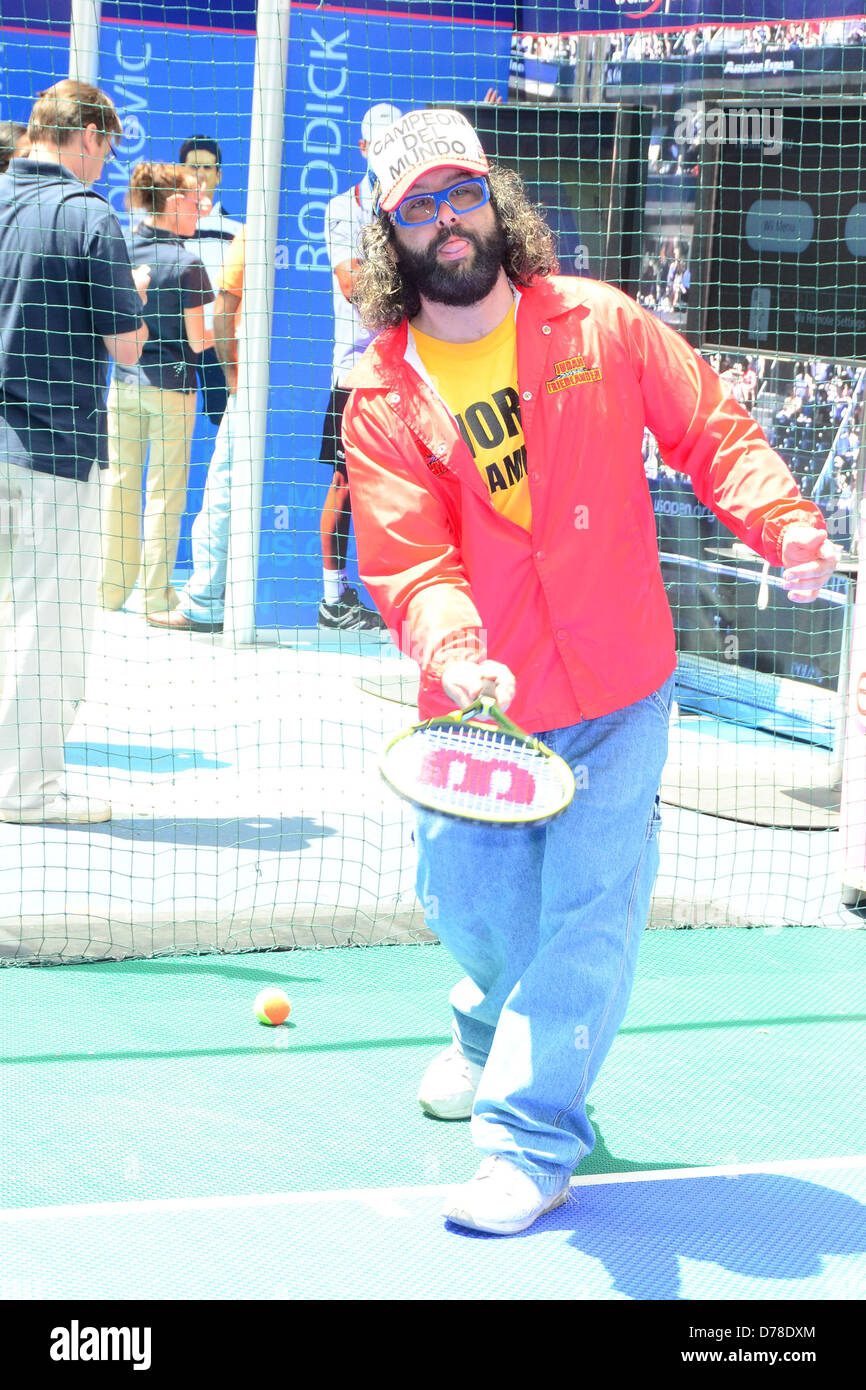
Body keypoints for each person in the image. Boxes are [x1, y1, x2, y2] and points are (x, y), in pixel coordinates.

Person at [341, 108, 838, 1235]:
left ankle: (529, 1142)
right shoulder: (380, 392)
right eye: (418, 207)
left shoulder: (601, 323)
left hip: (618, 687)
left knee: (586, 918)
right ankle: (484, 1017)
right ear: (392, 234)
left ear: (493, 201)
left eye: (459, 194)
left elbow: (715, 431)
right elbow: (409, 558)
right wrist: (459, 649)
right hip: (477, 712)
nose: (445, 221)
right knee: (468, 905)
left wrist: (786, 527)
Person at [0, 80, 148, 824]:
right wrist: (136, 295)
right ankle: (24, 791)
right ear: (87, 136)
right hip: (51, 453)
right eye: (108, 148)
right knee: (46, 630)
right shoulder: (87, 217)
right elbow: (128, 346)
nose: (108, 164)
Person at [100, 162, 213, 620]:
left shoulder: (120, 248)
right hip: (173, 390)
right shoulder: (189, 261)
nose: (202, 208)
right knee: (164, 493)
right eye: (195, 199)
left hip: (123, 385)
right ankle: (154, 597)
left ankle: (108, 592)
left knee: (119, 489)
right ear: (172, 203)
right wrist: (237, 329)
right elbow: (198, 341)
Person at [316, 103, 402, 632]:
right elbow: (356, 291)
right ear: (364, 149)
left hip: (417, 366)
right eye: (379, 146)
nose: (386, 155)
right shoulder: (344, 209)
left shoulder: (415, 201)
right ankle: (333, 598)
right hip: (358, 369)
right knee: (345, 482)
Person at [146, 230, 244, 633]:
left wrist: (233, 376)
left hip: (256, 385)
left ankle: (204, 605)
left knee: (222, 491)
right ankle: (205, 602)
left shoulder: (251, 232)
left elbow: (222, 314)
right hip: (262, 384)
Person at [178, 135, 243, 428]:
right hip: (176, 344)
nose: (200, 174)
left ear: (219, 174)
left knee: (223, 426)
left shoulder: (237, 230)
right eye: (193, 167)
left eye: (207, 167)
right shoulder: (163, 228)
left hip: (219, 344)